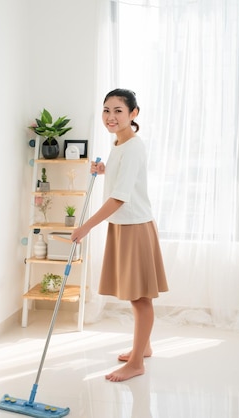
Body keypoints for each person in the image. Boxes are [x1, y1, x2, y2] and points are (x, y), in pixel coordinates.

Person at [71, 88, 168, 382]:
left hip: (134, 227)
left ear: (133, 114)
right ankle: (145, 346)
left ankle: (137, 362)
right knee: (134, 295)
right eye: (106, 110)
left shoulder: (133, 146)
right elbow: (124, 176)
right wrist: (104, 169)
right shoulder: (120, 144)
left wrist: (86, 226)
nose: (111, 117)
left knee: (140, 298)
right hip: (124, 226)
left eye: (118, 111)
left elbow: (120, 197)